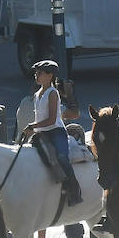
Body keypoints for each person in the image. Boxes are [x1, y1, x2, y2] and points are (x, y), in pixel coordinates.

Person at [23, 59, 83, 208]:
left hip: (55, 132)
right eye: (36, 73)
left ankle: (74, 190)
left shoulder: (52, 93)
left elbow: (51, 120)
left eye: (40, 73)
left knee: (62, 157)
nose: (36, 75)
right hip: (41, 133)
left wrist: (33, 125)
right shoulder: (37, 94)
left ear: (50, 76)